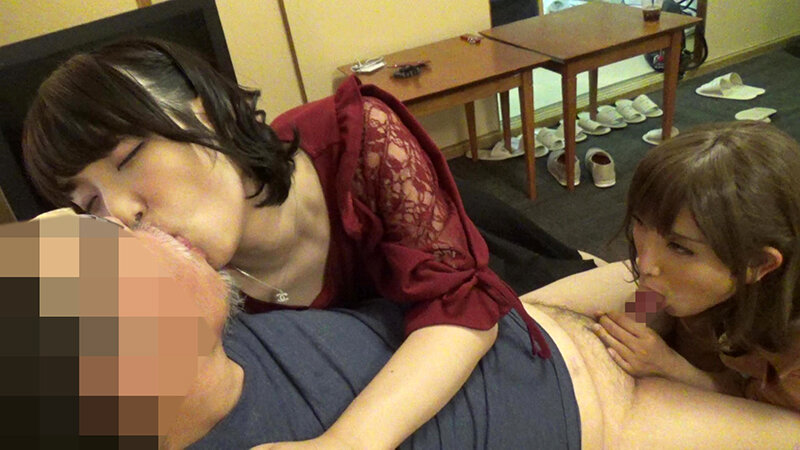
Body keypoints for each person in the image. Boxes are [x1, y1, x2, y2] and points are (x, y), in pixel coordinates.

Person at [21, 37, 597, 448]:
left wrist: (349, 441)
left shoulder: (361, 138)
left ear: (205, 112)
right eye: (90, 202)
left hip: (477, 276)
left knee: (622, 304)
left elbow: (461, 308)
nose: (120, 214)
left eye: (127, 158)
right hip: (406, 368)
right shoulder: (189, 285)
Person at [6, 214, 800, 449]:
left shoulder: (226, 325)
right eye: (107, 238)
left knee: (686, 270)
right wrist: (686, 377)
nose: (129, 220)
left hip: (530, 317)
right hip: (607, 409)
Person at [524, 121, 800, 413]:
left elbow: (755, 411)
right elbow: (637, 312)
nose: (645, 264)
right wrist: (633, 321)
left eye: (679, 247)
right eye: (640, 224)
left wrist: (668, 366)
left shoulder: (790, 366)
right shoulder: (695, 287)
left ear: (757, 264)